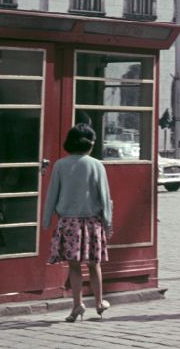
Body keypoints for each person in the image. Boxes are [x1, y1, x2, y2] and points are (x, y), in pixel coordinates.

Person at [42, 123, 114, 322]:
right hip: (92, 223)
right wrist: (108, 222)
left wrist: (46, 219)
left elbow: (52, 195)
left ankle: (77, 305)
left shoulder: (60, 165)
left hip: (69, 223)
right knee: (94, 265)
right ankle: (99, 303)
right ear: (91, 144)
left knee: (74, 267)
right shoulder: (96, 165)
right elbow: (104, 196)